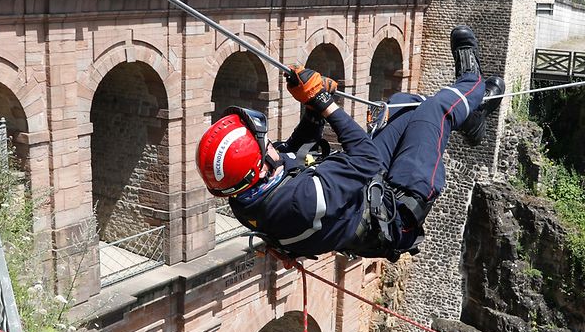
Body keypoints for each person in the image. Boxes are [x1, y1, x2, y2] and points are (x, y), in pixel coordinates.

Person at [195, 25, 504, 260]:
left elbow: (300, 151)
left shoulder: (247, 194)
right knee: (437, 109)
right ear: (257, 168)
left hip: (368, 192)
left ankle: (472, 118)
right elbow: (366, 159)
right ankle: (473, 81)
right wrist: (326, 104)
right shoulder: (299, 199)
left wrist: (313, 112)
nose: (272, 146)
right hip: (398, 209)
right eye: (266, 147)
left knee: (404, 105)